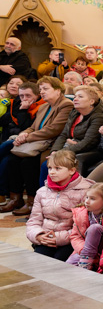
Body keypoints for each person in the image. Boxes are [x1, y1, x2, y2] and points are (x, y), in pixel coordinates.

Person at [0, 76, 73, 215]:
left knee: (28, 162)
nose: (42, 92)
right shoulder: (44, 106)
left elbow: (54, 129)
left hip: (52, 145)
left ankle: (33, 201)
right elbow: (33, 127)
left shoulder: (66, 105)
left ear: (58, 90)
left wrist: (26, 138)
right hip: (37, 143)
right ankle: (16, 198)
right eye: (40, 89)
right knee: (11, 160)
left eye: (46, 88)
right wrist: (23, 134)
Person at [25, 150, 95, 261]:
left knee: (60, 262)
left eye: (58, 168)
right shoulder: (42, 192)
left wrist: (58, 238)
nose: (52, 172)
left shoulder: (85, 192)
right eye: (50, 168)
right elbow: (34, 220)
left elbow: (84, 226)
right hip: (47, 238)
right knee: (40, 260)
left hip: (71, 240)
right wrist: (38, 236)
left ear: (72, 170)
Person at [44, 85, 103, 181]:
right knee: (46, 163)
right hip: (70, 147)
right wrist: (55, 151)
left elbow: (88, 142)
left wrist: (60, 153)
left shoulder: (99, 117)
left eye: (80, 97)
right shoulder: (75, 112)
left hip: (91, 151)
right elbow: (63, 135)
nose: (75, 99)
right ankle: (47, 194)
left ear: (91, 101)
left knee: (53, 164)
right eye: (75, 96)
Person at [65, 182, 103, 270]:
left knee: (95, 228)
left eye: (92, 199)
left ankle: (85, 264)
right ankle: (85, 260)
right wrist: (83, 250)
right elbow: (75, 236)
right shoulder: (80, 214)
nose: (87, 201)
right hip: (84, 253)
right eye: (87, 197)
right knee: (67, 266)